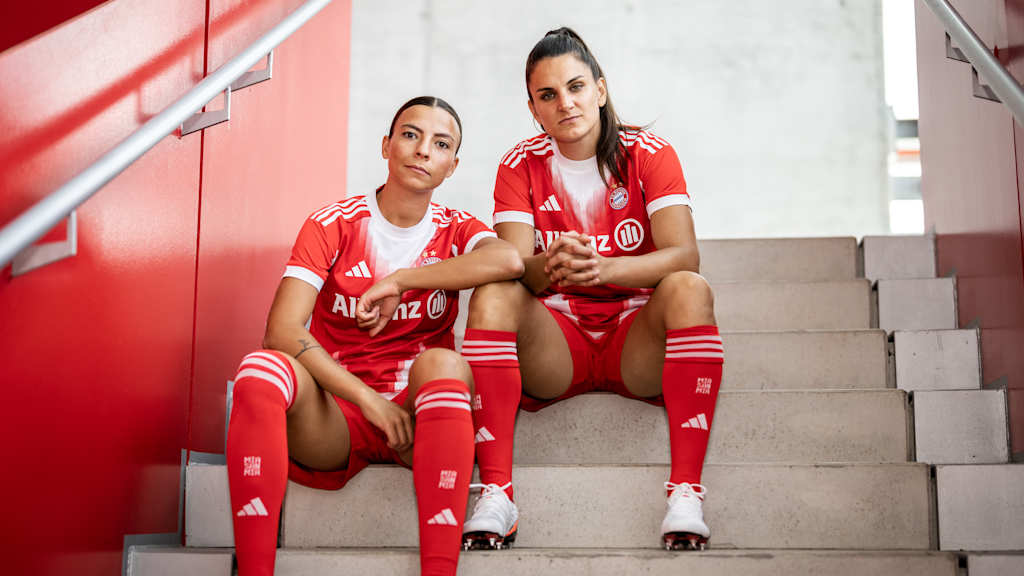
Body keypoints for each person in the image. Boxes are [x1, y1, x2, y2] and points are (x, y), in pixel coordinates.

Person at [225, 95, 524, 576]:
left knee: (446, 364)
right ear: (386, 146)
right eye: (410, 135)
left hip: (419, 414)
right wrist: (369, 401)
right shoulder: (334, 224)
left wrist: (400, 280)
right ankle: (255, 569)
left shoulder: (455, 229)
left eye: (440, 143)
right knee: (259, 370)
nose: (423, 150)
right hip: (337, 415)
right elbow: (280, 330)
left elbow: (509, 260)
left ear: (452, 165)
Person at [461, 27, 724, 552]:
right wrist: (552, 267)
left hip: (635, 342)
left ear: (600, 90)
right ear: (533, 109)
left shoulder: (649, 153)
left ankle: (686, 493)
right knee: (491, 293)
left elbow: (683, 254)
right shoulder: (519, 164)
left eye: (576, 87)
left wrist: (603, 270)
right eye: (548, 95)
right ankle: (496, 493)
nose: (566, 103)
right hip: (558, 345)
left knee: (690, 287)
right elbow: (516, 265)